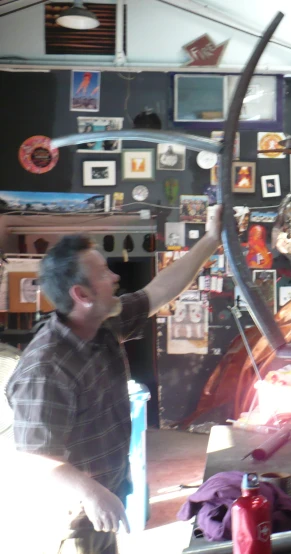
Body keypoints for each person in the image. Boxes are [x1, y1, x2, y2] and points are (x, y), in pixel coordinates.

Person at [5, 206, 223, 553]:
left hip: (99, 503)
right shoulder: (47, 369)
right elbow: (35, 460)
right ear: (82, 295)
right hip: (64, 523)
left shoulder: (100, 324)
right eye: (104, 272)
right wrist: (93, 493)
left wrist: (211, 240)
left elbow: (159, 292)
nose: (115, 278)